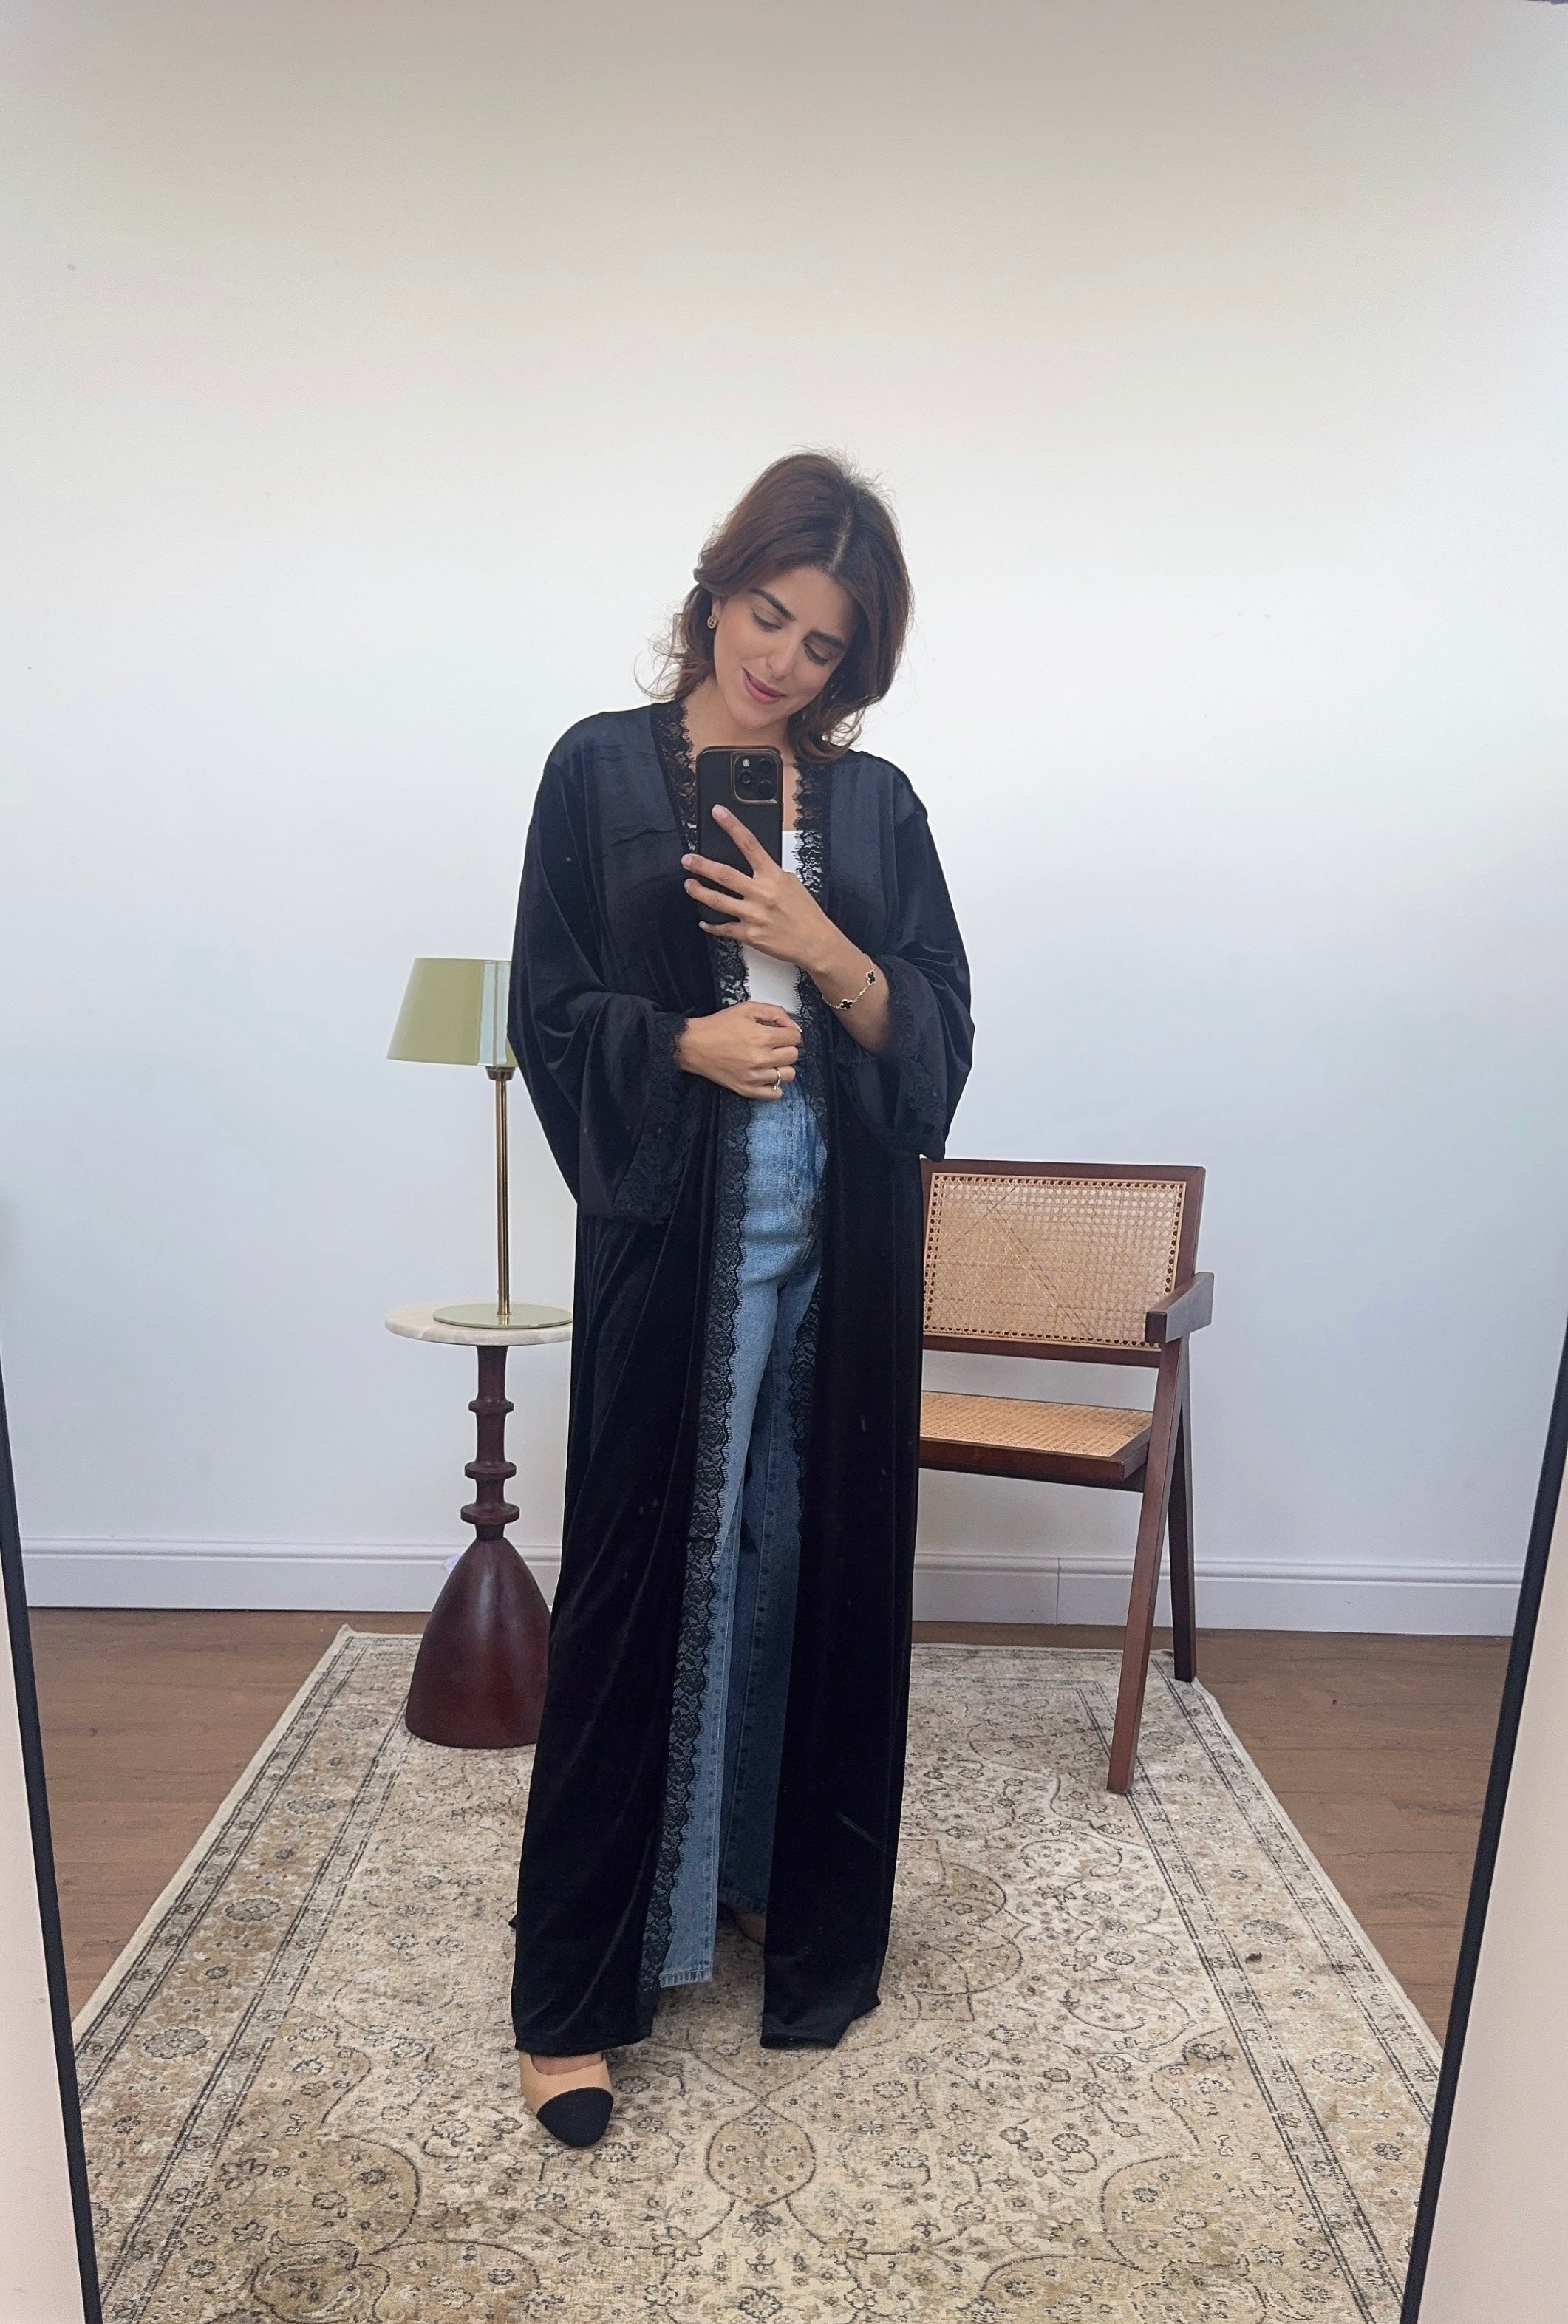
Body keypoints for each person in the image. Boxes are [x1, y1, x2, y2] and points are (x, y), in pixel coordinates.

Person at [506, 450, 973, 2148]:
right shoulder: (597, 773)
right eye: (767, 613)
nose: (782, 659)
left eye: (823, 643)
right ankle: (573, 1994)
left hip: (841, 1245)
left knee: (803, 1559)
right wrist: (684, 1043)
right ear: (716, 590)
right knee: (646, 1573)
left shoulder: (874, 810)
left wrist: (817, 941)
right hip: (673, 1234)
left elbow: (935, 1032)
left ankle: (772, 1877)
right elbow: (549, 1009)